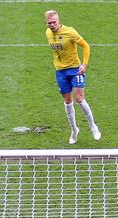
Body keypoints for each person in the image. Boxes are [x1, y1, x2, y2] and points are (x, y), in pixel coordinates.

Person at [44, 10, 101, 145]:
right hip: (60, 72)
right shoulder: (48, 33)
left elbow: (85, 46)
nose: (52, 25)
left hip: (75, 70)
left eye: (54, 22)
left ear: (59, 21)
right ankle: (74, 130)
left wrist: (85, 64)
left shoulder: (70, 32)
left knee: (79, 99)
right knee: (68, 101)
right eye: (49, 23)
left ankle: (93, 126)